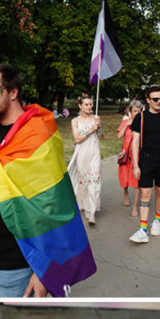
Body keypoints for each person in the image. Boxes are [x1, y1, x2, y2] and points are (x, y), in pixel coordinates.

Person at [0, 63, 96, 297]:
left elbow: (53, 207)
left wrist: (43, 271)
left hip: (18, 263)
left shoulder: (37, 133)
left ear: (13, 92)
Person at [128, 86, 160, 244]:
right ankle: (143, 229)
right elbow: (135, 141)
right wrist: (135, 165)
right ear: (148, 100)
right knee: (145, 193)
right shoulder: (141, 117)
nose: (159, 102)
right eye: (155, 99)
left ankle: (157, 220)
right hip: (145, 159)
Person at [68, 93, 103, 225]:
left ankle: (92, 212)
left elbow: (101, 136)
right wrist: (90, 130)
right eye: (86, 104)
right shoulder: (75, 121)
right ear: (80, 106)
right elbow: (77, 138)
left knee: (94, 180)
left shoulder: (96, 118)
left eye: (91, 104)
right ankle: (84, 206)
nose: (90, 106)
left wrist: (98, 128)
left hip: (94, 150)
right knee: (84, 181)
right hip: (82, 152)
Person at [117, 100, 143, 214]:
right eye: (135, 111)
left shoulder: (143, 123)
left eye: (139, 111)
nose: (137, 113)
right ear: (130, 112)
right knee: (124, 178)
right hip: (125, 155)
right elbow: (119, 136)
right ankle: (126, 193)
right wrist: (126, 125)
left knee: (137, 181)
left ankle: (135, 206)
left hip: (137, 156)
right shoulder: (126, 122)